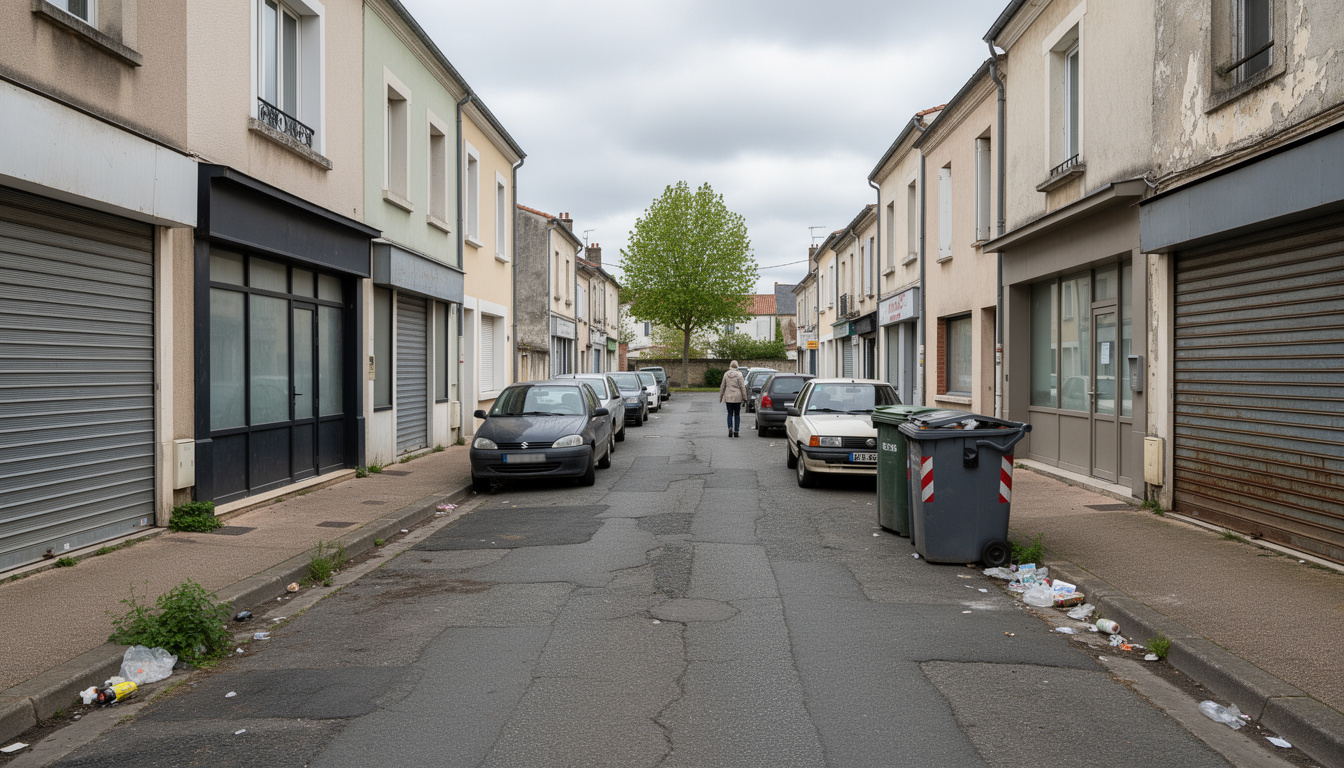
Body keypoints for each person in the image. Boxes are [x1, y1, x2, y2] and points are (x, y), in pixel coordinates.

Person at [718, 360, 748, 437]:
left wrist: (721, 396)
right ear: (737, 366)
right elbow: (742, 387)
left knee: (730, 414)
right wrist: (745, 398)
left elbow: (723, 386)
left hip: (728, 397)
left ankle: (730, 428)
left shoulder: (726, 374)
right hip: (737, 397)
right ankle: (736, 430)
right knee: (737, 414)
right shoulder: (739, 375)